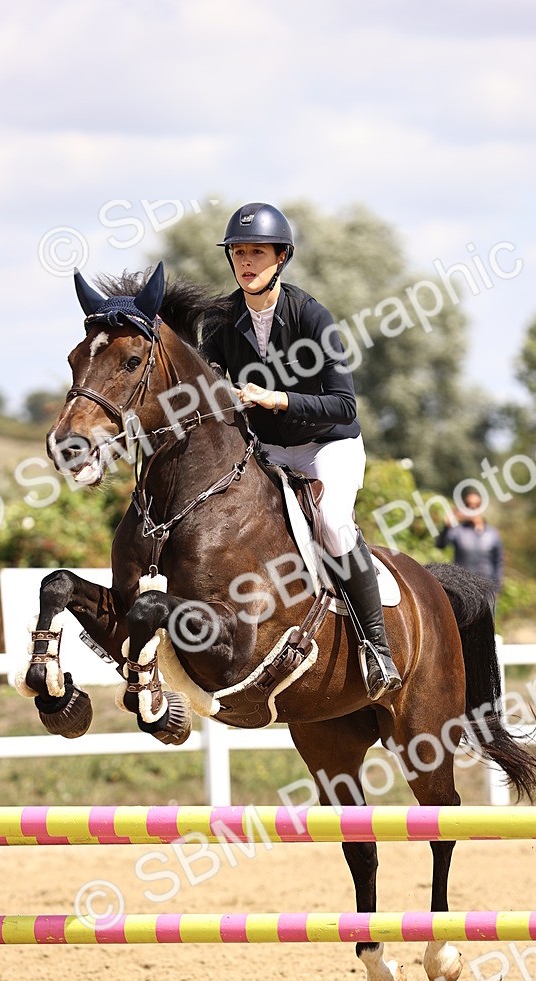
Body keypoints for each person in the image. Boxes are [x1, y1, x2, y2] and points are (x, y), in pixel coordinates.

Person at [200, 202, 402, 700]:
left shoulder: (311, 314)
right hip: (266, 449)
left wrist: (278, 398)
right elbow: (206, 386)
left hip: (326, 446)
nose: (246, 262)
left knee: (332, 522)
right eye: (239, 253)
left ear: (282, 257)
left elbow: (342, 403)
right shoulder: (222, 320)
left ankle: (377, 649)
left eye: (257, 252)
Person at [436, 487, 504, 594]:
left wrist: (496, 588)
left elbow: (498, 562)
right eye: (468, 505)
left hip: (486, 590)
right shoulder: (458, 531)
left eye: (476, 505)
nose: (472, 508)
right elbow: (440, 545)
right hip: (463, 588)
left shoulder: (492, 534)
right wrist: (447, 526)